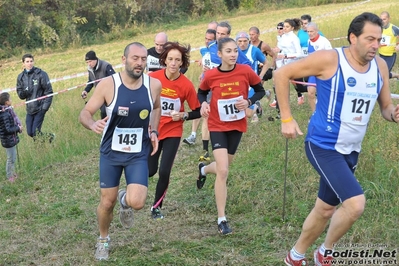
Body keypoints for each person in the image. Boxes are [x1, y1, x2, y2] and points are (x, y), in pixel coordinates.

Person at [274, 12, 398, 266]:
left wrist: (394, 114)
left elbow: (385, 108)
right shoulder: (330, 59)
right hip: (322, 145)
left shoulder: (381, 66)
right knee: (355, 204)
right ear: (353, 38)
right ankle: (324, 252)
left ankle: (295, 256)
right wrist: (287, 118)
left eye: (379, 39)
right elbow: (281, 74)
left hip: (351, 149)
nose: (376, 45)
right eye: (370, 39)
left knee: (325, 209)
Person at [79, 42, 162, 261]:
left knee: (138, 202)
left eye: (143, 59)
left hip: (137, 152)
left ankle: (126, 200)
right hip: (111, 152)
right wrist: (91, 124)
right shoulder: (108, 84)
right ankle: (103, 239)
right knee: (107, 202)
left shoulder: (153, 85)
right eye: (135, 58)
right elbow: (86, 112)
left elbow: (156, 107)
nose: (140, 63)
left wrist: (153, 130)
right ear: (124, 59)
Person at [196, 37, 266, 235]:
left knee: (222, 167)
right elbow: (201, 93)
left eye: (235, 50)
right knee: (224, 171)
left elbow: (260, 90)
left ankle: (203, 170)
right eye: (228, 51)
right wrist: (203, 104)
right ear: (219, 54)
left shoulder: (245, 71)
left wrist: (249, 100)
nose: (233, 54)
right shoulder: (211, 75)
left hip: (237, 125)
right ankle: (222, 218)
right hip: (217, 125)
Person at [148, 42, 201, 219]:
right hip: (153, 129)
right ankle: (131, 193)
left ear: (182, 63)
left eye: (177, 60)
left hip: (173, 131)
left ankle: (156, 207)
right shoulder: (153, 78)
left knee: (164, 171)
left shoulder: (186, 85)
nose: (173, 63)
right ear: (164, 60)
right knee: (150, 171)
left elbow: (197, 110)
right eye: (170, 59)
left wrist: (184, 115)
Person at [183, 28, 216, 150]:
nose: (207, 42)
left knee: (210, 113)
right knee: (199, 108)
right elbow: (206, 64)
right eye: (206, 39)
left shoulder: (220, 51)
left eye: (210, 40)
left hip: (216, 86)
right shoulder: (203, 50)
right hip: (205, 85)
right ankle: (193, 135)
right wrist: (202, 73)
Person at [16, 54, 54, 142]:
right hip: (29, 109)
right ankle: (50, 137)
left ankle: (40, 148)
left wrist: (44, 108)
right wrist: (25, 92)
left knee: (35, 132)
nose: (29, 63)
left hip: (40, 108)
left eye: (31, 61)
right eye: (27, 62)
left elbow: (49, 92)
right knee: (30, 132)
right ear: (23, 63)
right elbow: (20, 94)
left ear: (33, 61)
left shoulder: (41, 74)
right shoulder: (20, 77)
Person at [236, 31, 271, 122]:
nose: (242, 44)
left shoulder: (254, 50)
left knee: (248, 114)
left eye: (245, 41)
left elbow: (266, 63)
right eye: (240, 41)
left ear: (249, 41)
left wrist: (261, 76)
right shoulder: (233, 52)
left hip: (251, 84)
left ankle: (256, 105)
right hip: (238, 84)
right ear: (236, 42)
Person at [305, 22, 332, 113]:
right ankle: (315, 114)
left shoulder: (324, 41)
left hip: (324, 71)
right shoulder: (308, 41)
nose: (309, 33)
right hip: (313, 71)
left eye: (311, 31)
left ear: (317, 31)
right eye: (308, 32)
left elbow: (331, 57)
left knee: (325, 94)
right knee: (310, 93)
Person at [81, 51, 116, 119]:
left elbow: (115, 79)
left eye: (90, 61)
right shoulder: (90, 69)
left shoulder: (106, 66)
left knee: (111, 112)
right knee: (103, 112)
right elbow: (91, 81)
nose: (89, 64)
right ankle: (104, 128)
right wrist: (85, 91)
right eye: (87, 62)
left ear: (95, 59)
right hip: (100, 95)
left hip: (110, 94)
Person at [0, 92, 23, 182]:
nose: (11, 100)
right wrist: (18, 128)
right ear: (6, 102)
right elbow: (7, 129)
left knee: (13, 158)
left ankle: (12, 174)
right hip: (8, 140)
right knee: (11, 159)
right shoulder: (4, 114)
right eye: (10, 99)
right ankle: (10, 177)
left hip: (10, 139)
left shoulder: (7, 111)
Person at [378, 11, 399, 79]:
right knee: (380, 73)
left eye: (384, 19)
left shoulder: (394, 29)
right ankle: (396, 75)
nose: (382, 21)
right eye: (381, 19)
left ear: (389, 19)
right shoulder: (379, 28)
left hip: (390, 56)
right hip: (381, 54)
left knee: (384, 74)